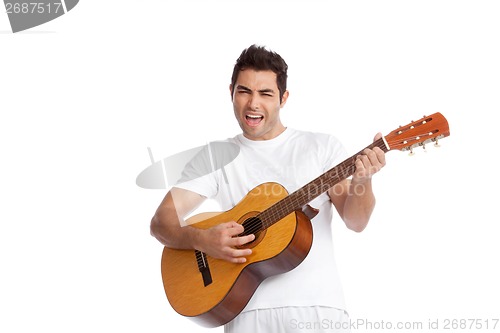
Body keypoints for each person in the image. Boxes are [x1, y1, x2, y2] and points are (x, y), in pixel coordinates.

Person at [150, 44, 386, 332]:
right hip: (245, 312)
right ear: (231, 92)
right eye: (244, 91)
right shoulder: (216, 157)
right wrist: (202, 240)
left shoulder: (321, 147)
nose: (253, 104)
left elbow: (356, 221)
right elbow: (162, 222)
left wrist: (364, 179)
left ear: (283, 98)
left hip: (317, 309)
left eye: (266, 94)